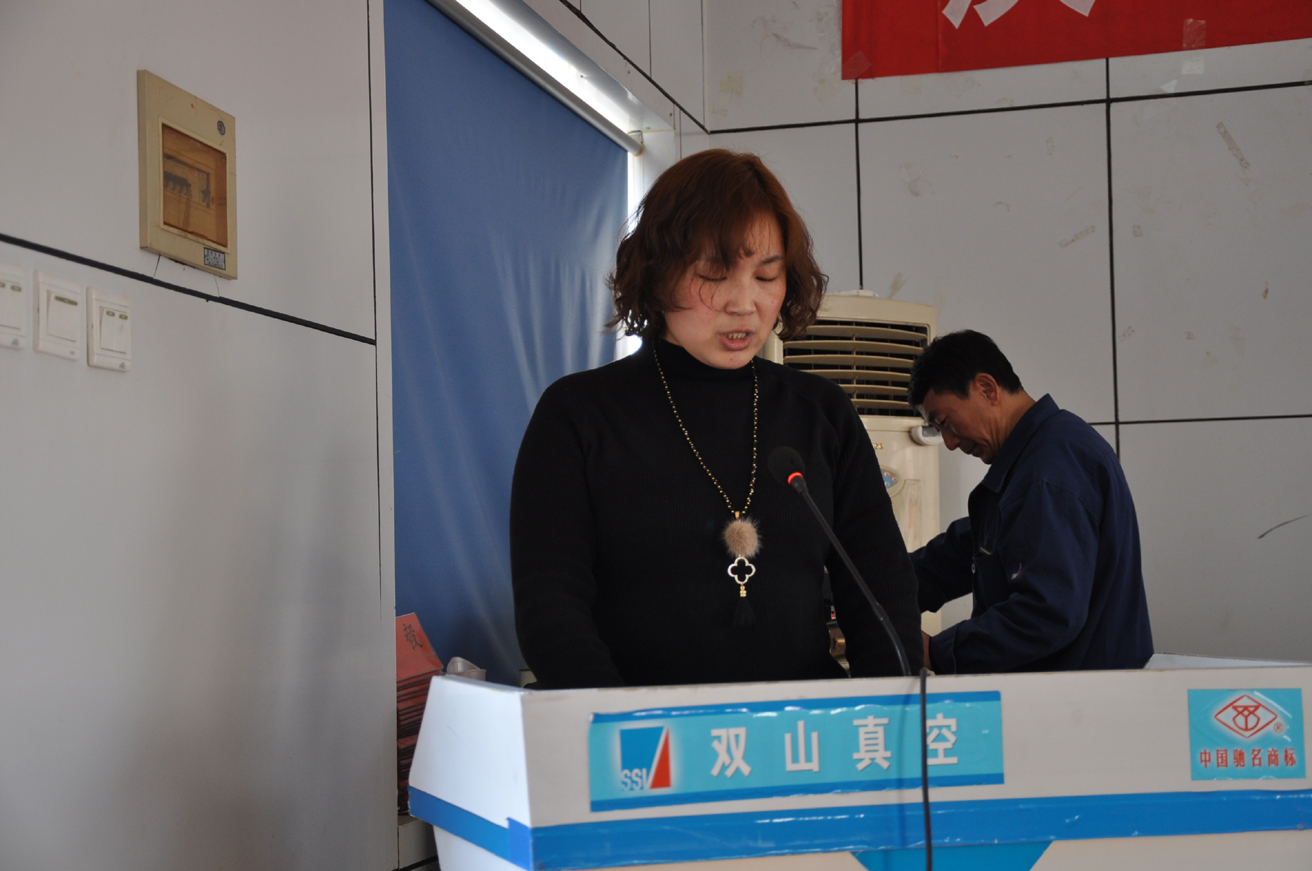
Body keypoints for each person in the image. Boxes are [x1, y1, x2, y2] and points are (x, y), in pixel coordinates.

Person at [510, 150, 922, 689]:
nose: (744, 303)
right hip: (644, 734)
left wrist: (893, 716)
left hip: (803, 731)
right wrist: (627, 728)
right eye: (713, 274)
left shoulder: (820, 413)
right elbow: (551, 611)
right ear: (657, 273)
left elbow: (882, 590)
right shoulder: (579, 415)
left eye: (767, 275)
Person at [908, 330, 1153, 674]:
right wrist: (881, 584)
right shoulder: (1036, 461)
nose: (949, 443)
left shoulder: (1049, 470)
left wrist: (936, 652)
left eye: (945, 423)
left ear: (987, 388)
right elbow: (967, 552)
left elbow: (1047, 613)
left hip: (1079, 696)